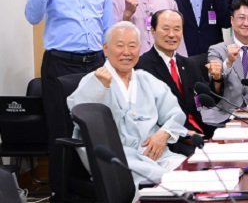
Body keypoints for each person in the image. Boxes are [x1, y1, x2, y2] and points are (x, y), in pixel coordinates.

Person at [24, 0, 112, 195]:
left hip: (95, 63)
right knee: (62, 132)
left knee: (97, 128)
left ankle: (96, 192)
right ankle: (61, 195)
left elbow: (107, 26)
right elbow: (33, 16)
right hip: (60, 64)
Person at [67, 22, 188, 186]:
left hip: (156, 155)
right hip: (116, 157)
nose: (126, 52)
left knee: (188, 170)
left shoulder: (146, 79)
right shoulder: (94, 80)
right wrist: (100, 88)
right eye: (120, 46)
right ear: (105, 49)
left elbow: (175, 113)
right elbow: (81, 115)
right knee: (165, 178)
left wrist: (164, 133)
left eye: (132, 46)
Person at [136, 9, 222, 142]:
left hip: (202, 131)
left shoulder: (189, 64)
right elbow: (148, 116)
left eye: (177, 29)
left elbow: (208, 99)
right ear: (152, 31)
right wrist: (182, 133)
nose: (172, 35)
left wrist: (217, 80)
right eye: (166, 29)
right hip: (172, 137)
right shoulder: (142, 67)